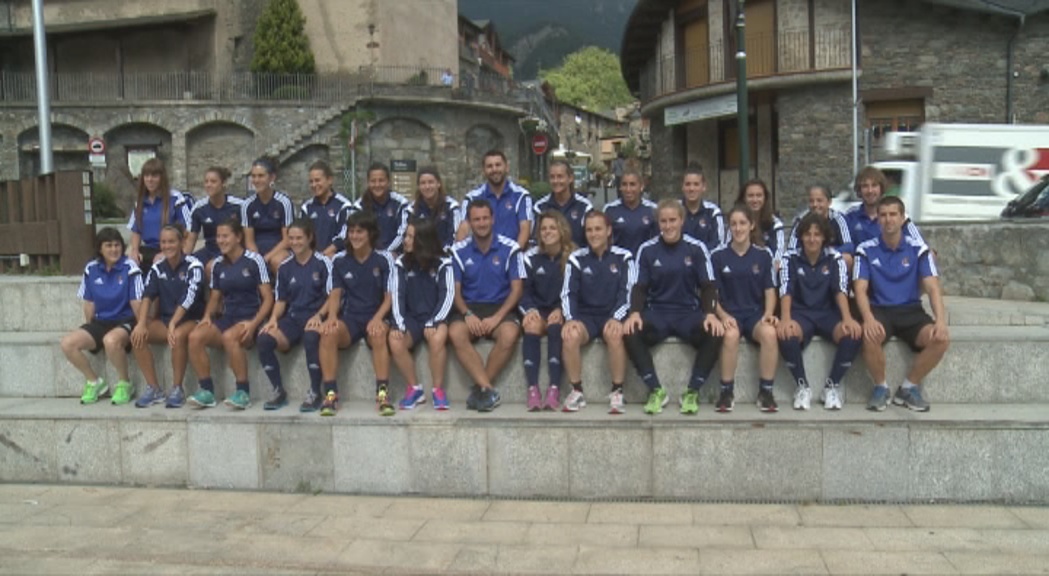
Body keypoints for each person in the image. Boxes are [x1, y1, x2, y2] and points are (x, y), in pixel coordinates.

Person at [623, 199, 723, 415]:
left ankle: (693, 391)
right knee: (630, 331)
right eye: (663, 221)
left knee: (715, 332)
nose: (668, 226)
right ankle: (656, 390)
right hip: (657, 313)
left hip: (688, 313)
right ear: (657, 223)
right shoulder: (647, 250)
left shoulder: (696, 249)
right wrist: (634, 313)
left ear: (682, 221)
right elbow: (639, 287)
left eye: (672, 220)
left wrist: (710, 314)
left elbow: (708, 286)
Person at [854, 196, 950, 412]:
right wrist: (868, 319)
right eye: (883, 215)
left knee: (941, 339)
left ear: (902, 218)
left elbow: (933, 288)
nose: (888, 220)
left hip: (911, 311)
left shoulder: (918, 249)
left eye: (893, 214)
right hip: (880, 310)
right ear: (878, 219)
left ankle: (908, 387)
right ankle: (880, 388)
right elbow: (859, 289)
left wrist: (941, 322)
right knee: (868, 334)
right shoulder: (865, 249)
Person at [777, 212, 863, 410]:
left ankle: (831, 386)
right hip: (801, 314)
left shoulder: (835, 258)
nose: (812, 239)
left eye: (817, 234)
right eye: (807, 234)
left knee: (853, 334)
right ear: (801, 237)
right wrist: (786, 318)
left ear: (824, 236)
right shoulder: (790, 258)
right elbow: (786, 289)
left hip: (827, 314)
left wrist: (848, 318)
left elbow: (840, 290)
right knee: (786, 334)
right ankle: (802, 386)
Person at [187, 220, 274, 410]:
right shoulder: (218, 264)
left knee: (229, 338)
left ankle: (243, 392)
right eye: (218, 236)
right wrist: (208, 316)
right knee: (195, 336)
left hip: (252, 318)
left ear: (238, 237)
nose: (221, 240)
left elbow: (268, 299)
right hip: (228, 318)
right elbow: (215, 297)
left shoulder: (254, 260)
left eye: (225, 236)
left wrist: (253, 324)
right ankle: (207, 391)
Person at [449, 199, 525, 412]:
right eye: (476, 219)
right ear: (469, 222)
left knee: (509, 334)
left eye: (485, 218)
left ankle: (481, 388)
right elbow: (454, 291)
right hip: (470, 306)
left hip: (500, 307)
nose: (481, 223)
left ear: (493, 219)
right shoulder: (458, 251)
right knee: (455, 333)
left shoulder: (510, 248)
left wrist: (497, 317)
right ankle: (487, 389)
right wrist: (467, 314)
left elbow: (517, 289)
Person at [321, 212, 395, 415]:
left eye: (360, 232)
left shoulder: (384, 258)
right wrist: (332, 317)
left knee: (379, 334)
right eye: (352, 232)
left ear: (370, 234)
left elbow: (390, 296)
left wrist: (378, 318)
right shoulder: (340, 260)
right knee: (328, 333)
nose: (355, 236)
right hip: (351, 317)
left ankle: (382, 394)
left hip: (377, 313)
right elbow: (335, 293)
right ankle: (330, 394)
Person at [60, 227, 144, 405]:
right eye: (109, 246)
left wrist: (142, 326)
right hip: (101, 321)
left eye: (117, 245)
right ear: (100, 248)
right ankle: (94, 381)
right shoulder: (91, 269)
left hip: (126, 320)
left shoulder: (130, 267)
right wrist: (88, 330)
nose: (114, 250)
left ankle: (124, 383)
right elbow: (89, 303)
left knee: (110, 341)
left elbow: (137, 301)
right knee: (68, 343)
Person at [256, 219, 333, 411]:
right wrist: (273, 320)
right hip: (293, 317)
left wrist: (319, 316)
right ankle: (277, 390)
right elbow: (281, 300)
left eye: (299, 238)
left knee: (311, 337)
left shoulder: (323, 262)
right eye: (291, 238)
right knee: (264, 339)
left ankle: (315, 391)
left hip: (316, 315)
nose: (295, 242)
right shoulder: (285, 266)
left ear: (309, 238)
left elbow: (333, 297)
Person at [562, 210, 633, 413]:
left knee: (614, 333)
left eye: (598, 229)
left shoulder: (624, 257)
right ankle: (576, 391)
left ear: (608, 231)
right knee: (570, 335)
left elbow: (627, 292)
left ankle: (617, 391)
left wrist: (617, 317)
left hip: (612, 313)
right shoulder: (576, 258)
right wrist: (571, 319)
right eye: (589, 230)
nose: (593, 234)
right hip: (586, 317)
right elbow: (568, 293)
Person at [711, 204, 779, 413]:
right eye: (733, 224)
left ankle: (766, 391)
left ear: (752, 225)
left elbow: (769, 289)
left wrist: (768, 314)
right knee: (730, 336)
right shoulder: (718, 256)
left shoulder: (763, 255)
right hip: (729, 313)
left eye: (742, 223)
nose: (738, 228)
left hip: (754, 314)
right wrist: (722, 316)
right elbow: (712, 294)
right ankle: (726, 392)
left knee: (769, 333)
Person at [130, 225, 206, 408]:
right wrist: (141, 323)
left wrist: (173, 322)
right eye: (163, 242)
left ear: (181, 242)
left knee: (178, 336)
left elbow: (189, 297)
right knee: (137, 334)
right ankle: (154, 388)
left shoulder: (194, 265)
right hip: (166, 320)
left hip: (191, 319)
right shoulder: (157, 267)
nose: (167, 246)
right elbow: (147, 295)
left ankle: (177, 388)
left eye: (172, 241)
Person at [389, 218, 454, 412]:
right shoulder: (401, 263)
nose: (406, 241)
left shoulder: (444, 263)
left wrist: (434, 321)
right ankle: (415, 388)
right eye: (406, 236)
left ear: (423, 240)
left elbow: (448, 295)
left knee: (437, 338)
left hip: (436, 316)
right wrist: (399, 324)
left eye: (410, 237)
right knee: (395, 340)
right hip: (412, 319)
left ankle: (438, 390)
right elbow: (397, 295)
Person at [519, 210, 575, 411]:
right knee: (531, 325)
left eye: (552, 228)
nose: (547, 232)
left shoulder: (573, 257)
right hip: (539, 310)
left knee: (555, 327)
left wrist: (562, 310)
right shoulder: (530, 258)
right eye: (543, 229)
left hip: (561, 312)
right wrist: (529, 309)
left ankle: (554, 388)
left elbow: (575, 292)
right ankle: (533, 389)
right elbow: (523, 292)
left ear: (561, 230)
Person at [456, 150, 533, 249]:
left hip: (511, 256)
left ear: (506, 167)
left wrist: (513, 256)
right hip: (480, 258)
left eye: (498, 165)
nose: (494, 169)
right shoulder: (472, 198)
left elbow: (525, 230)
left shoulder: (521, 196)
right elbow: (463, 229)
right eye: (489, 166)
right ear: (484, 170)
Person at [127, 158, 192, 266]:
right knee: (129, 264)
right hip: (147, 249)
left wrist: (166, 252)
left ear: (162, 178)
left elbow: (188, 230)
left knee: (159, 264)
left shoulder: (176, 198)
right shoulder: (140, 202)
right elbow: (136, 231)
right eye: (146, 176)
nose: (150, 180)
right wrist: (134, 251)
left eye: (154, 176)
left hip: (170, 249)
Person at [845, 166, 925, 247]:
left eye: (874, 185)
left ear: (881, 188)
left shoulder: (897, 215)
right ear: (859, 190)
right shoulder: (851, 216)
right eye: (865, 186)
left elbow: (922, 247)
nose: (870, 190)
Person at [243, 156, 295, 274]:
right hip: (256, 249)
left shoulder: (284, 202)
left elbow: (287, 239)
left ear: (272, 177)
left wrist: (266, 258)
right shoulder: (248, 205)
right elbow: (249, 240)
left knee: (277, 261)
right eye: (253, 176)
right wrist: (257, 258)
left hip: (280, 248)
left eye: (261, 176)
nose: (256, 180)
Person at [185, 166, 244, 269]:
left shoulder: (239, 206)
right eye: (206, 182)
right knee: (188, 266)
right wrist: (182, 259)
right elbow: (190, 241)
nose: (208, 185)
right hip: (209, 249)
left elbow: (246, 235)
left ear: (223, 183)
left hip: (231, 249)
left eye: (213, 182)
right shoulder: (199, 208)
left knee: (211, 267)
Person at [395, 166, 462, 252]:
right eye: (423, 183)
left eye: (431, 182)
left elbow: (455, 237)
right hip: (417, 258)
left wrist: (439, 254)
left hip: (445, 257)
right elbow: (403, 236)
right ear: (418, 186)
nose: (427, 187)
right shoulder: (411, 210)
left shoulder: (452, 207)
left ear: (438, 184)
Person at [787, 184, 854, 268]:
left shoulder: (838, 219)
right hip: (807, 261)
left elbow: (848, 246)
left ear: (829, 202)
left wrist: (825, 254)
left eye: (819, 201)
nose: (815, 205)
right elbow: (791, 249)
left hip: (830, 260)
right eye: (811, 201)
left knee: (847, 258)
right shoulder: (801, 220)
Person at [532, 159, 593, 247]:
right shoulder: (540, 207)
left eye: (560, 177)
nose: (556, 181)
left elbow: (590, 240)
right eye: (552, 177)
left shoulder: (585, 207)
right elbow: (536, 241)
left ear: (570, 178)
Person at [301, 160, 354, 258]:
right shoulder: (306, 207)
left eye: (317, 180)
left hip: (337, 256)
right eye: (311, 182)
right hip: (311, 258)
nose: (314, 185)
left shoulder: (344, 205)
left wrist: (326, 254)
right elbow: (303, 234)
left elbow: (345, 234)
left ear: (329, 180)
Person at [352, 163, 410, 252]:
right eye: (373, 181)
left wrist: (387, 253)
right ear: (368, 182)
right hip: (367, 256)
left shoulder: (400, 203)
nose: (377, 184)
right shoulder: (359, 206)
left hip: (395, 254)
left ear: (388, 182)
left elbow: (403, 233)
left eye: (381, 180)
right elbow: (355, 234)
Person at [604, 170, 658, 255]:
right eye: (624, 184)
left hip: (644, 263)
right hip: (619, 263)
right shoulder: (610, 209)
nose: (628, 189)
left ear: (641, 186)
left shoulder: (653, 209)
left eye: (632, 184)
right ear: (620, 187)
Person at [737, 179, 785, 272]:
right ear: (743, 198)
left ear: (765, 198)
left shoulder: (775, 224)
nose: (755, 200)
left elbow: (778, 255)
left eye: (759, 195)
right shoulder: (736, 222)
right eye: (750, 196)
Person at [680, 164, 724, 252]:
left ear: (704, 187)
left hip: (706, 261)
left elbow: (718, 243)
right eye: (688, 184)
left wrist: (699, 256)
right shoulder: (674, 209)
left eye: (696, 184)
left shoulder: (713, 212)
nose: (691, 189)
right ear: (682, 187)